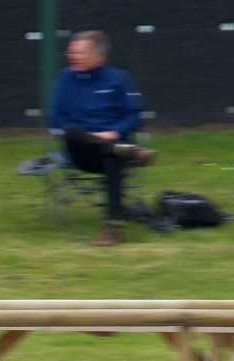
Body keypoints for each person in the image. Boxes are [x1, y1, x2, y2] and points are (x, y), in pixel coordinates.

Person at [50, 31, 154, 247]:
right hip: (81, 151)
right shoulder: (65, 79)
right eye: (71, 52)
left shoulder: (118, 79)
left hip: (112, 149)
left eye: (79, 53)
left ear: (99, 55)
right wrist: (96, 138)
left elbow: (134, 115)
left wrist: (114, 133)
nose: (73, 57)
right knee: (72, 131)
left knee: (112, 156)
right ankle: (125, 149)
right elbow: (54, 117)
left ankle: (113, 226)